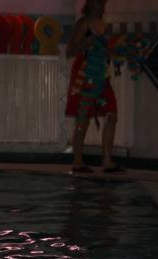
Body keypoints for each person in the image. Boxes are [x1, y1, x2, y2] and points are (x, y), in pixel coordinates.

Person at [65, 0, 123, 174]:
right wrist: (88, 41)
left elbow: (105, 50)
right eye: (99, 2)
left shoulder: (104, 25)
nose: (102, 5)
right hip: (84, 74)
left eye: (103, 2)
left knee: (111, 113)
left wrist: (115, 52)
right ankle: (77, 161)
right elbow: (70, 51)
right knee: (83, 118)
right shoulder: (83, 24)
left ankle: (107, 161)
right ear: (91, 3)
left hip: (101, 74)